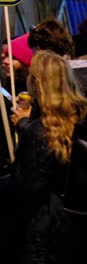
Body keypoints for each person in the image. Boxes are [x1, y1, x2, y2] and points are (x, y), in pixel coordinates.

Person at [1, 50, 87, 263]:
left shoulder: (38, 133)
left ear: (40, 84)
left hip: (40, 229)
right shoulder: (80, 121)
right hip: (73, 226)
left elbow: (25, 188)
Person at [0, 33, 34, 191]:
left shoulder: (31, 92)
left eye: (12, 57)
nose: (5, 61)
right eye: (5, 55)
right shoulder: (7, 84)